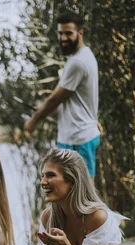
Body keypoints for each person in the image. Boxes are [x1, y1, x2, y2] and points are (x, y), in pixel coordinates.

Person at [24, 12, 101, 178]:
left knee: (84, 198)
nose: (63, 38)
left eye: (68, 33)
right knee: (68, 198)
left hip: (79, 140)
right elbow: (71, 102)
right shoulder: (78, 57)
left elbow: (54, 98)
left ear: (80, 33)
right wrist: (51, 113)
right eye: (60, 33)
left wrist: (34, 119)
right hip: (72, 138)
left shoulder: (78, 62)